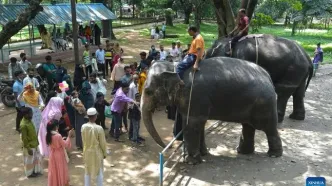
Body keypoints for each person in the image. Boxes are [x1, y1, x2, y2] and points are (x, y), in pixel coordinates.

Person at [82, 108, 107, 186]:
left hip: (86, 151)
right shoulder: (99, 128)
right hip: (96, 152)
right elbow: (103, 143)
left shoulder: (83, 126)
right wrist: (104, 153)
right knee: (99, 171)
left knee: (87, 170)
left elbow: (83, 140)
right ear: (96, 116)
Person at [47, 119, 74, 186]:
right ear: (56, 126)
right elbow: (65, 144)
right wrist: (69, 136)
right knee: (61, 169)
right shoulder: (58, 136)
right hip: (59, 154)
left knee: (54, 170)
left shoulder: (48, 134)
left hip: (52, 154)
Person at [20, 107, 43, 178]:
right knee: (29, 161)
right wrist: (28, 148)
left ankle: (35, 171)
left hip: (35, 143)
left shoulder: (30, 120)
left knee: (36, 158)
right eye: (30, 113)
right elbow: (24, 138)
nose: (32, 115)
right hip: (30, 146)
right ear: (26, 115)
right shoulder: (23, 125)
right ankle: (29, 173)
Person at [128, 74, 139, 140]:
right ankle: (131, 136)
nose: (137, 80)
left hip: (136, 106)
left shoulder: (137, 85)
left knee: (136, 123)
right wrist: (131, 106)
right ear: (133, 79)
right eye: (135, 79)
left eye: (137, 79)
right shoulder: (131, 87)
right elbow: (129, 97)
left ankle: (136, 135)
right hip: (132, 107)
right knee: (133, 123)